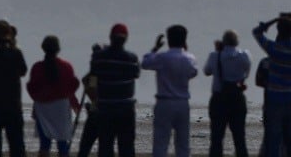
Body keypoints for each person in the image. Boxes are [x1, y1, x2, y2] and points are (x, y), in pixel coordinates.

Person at [254, 13, 291, 157]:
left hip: (275, 99)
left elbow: (257, 32)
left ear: (278, 30)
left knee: (273, 142)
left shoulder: (273, 49)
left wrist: (273, 21)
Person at [142, 25, 198, 157]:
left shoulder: (162, 58)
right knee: (183, 144)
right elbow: (193, 72)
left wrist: (155, 49)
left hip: (164, 102)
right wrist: (186, 50)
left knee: (160, 143)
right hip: (182, 102)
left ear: (168, 39)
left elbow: (145, 63)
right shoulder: (189, 58)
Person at [90, 24, 140, 157]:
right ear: (126, 39)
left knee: (105, 146)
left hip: (105, 108)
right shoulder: (131, 58)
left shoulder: (99, 58)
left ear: (110, 37)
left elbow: (93, 75)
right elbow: (136, 74)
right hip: (126, 109)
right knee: (127, 147)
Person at [0, 19, 28, 157]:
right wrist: (12, 43)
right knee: (17, 147)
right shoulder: (16, 53)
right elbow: (23, 71)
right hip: (13, 106)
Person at [28, 36, 80, 157]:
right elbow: (71, 88)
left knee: (44, 145)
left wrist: (35, 108)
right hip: (61, 108)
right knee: (62, 143)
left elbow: (33, 90)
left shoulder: (37, 67)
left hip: (43, 108)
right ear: (58, 49)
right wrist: (75, 104)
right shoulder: (66, 67)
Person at [204, 30, 251, 157]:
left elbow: (207, 71)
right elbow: (247, 71)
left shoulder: (215, 55)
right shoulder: (244, 55)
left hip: (219, 99)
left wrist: (218, 51)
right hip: (237, 98)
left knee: (216, 138)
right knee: (240, 138)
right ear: (237, 42)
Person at [75, 66, 99, 157]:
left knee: (85, 146)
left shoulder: (97, 68)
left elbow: (86, 81)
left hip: (96, 110)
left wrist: (93, 98)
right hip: (106, 109)